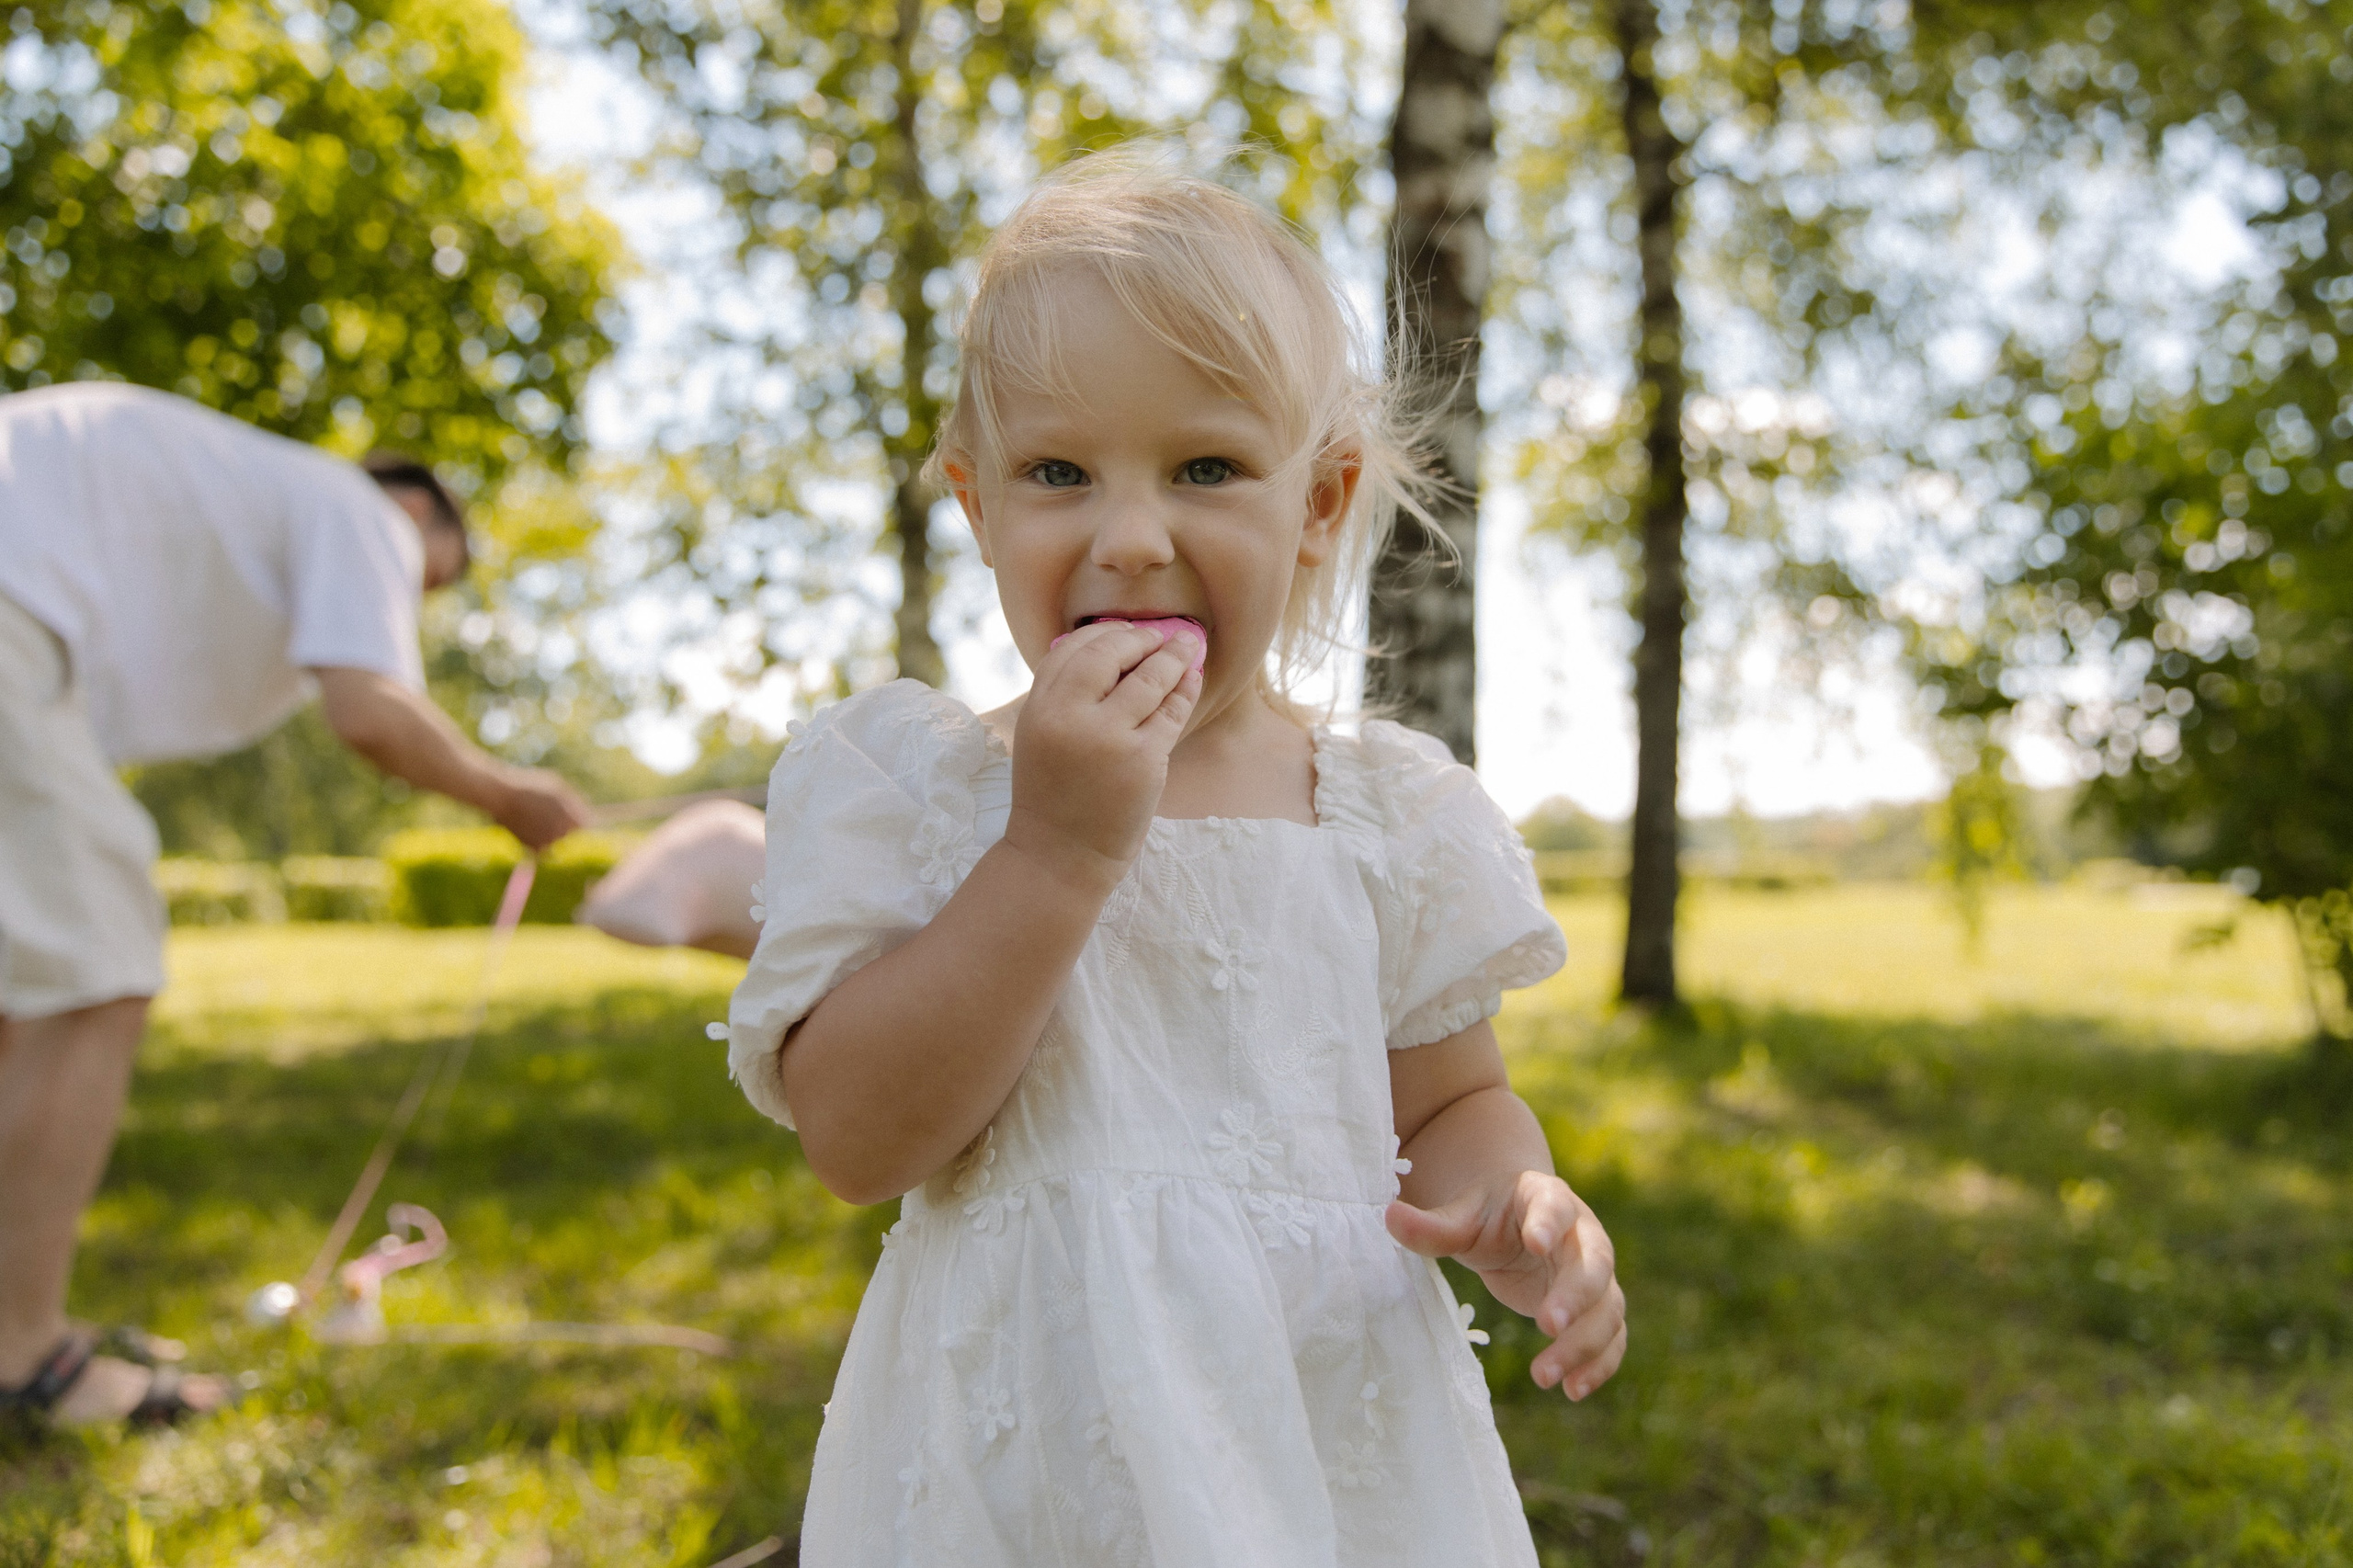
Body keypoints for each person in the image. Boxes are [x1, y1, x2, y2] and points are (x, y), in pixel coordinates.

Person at [719, 152, 1628, 1564]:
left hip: (1324, 1424)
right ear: (977, 504)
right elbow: (858, 1137)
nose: (1131, 538)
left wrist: (1514, 1196)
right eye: (1059, 473)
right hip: (1024, 1441)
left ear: (1318, 501)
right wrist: (1053, 850)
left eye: (1205, 468)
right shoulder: (920, 786)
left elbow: (1455, 1097)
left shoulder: (1381, 811)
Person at [0, 383, 590, 1428]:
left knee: (27, 995)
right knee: (98, 967)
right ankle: (21, 1361)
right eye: (425, 586)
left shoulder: (224, 500)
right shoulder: (358, 509)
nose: (406, 610)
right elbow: (369, 711)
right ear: (415, 519)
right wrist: (509, 794)